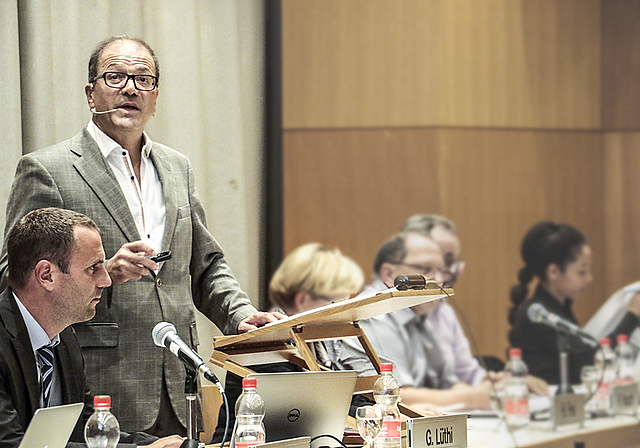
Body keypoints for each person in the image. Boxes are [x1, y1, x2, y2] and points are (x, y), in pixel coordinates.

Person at [0, 36, 281, 436]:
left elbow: (204, 262)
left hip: (181, 376)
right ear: (90, 93)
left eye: (143, 79)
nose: (130, 88)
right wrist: (105, 271)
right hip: (102, 380)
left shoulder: (176, 166)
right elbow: (16, 274)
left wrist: (240, 315)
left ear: (155, 96)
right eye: (114, 77)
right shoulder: (48, 168)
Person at [0, 207, 184, 447]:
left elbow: (86, 433)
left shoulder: (64, 338)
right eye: (93, 268)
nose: (106, 280)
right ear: (46, 275)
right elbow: (10, 444)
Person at [212, 243, 371, 442]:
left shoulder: (320, 342)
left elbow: (343, 392)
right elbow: (314, 407)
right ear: (302, 299)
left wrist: (368, 409)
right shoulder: (265, 341)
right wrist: (362, 413)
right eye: (334, 304)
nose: (342, 315)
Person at [328, 232, 493, 412]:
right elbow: (395, 394)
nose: (439, 280)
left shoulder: (416, 312)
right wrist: (475, 397)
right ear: (389, 274)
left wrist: (485, 390)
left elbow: (448, 382)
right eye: (425, 269)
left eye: (441, 270)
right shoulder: (372, 315)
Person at [508, 221, 640, 384]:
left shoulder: (561, 307)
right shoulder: (539, 315)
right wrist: (632, 315)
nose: (589, 278)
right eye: (581, 272)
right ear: (554, 272)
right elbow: (590, 362)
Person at [400, 214, 486, 385]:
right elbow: (398, 393)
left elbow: (468, 372)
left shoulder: (443, 309)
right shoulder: (385, 313)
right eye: (445, 262)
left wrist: (502, 386)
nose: (456, 272)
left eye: (453, 262)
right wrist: (475, 396)